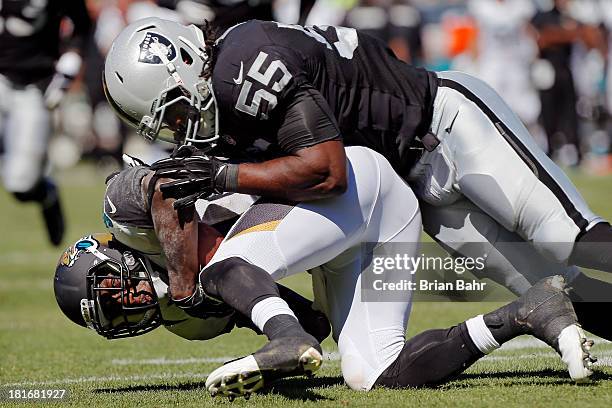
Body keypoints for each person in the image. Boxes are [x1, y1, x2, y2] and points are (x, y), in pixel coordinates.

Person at [53, 147, 595, 398]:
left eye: (113, 290)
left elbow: (159, 185)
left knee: (223, 266)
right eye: (113, 314)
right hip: (365, 229)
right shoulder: (186, 320)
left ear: (112, 256)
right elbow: (310, 323)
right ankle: (526, 312)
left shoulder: (122, 214)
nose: (127, 304)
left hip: (348, 187)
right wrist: (275, 363)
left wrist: (183, 278)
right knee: (375, 375)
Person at [102, 18, 612, 283]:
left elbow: (326, 172)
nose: (179, 127)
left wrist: (221, 177)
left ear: (184, 63)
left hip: (450, 123)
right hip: (414, 179)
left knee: (567, 240)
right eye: (164, 124)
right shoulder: (226, 91)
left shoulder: (246, 65)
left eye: (172, 111)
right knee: (550, 288)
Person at [0, 0, 92, 246]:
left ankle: (46, 194)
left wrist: (68, 65)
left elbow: (81, 25)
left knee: (21, 183)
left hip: (34, 86)